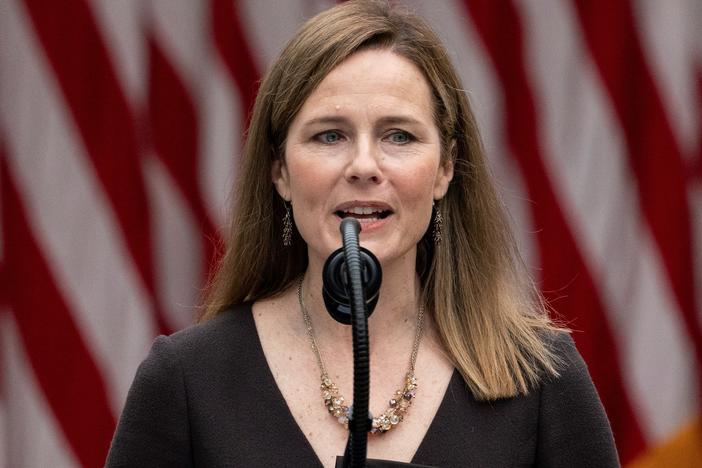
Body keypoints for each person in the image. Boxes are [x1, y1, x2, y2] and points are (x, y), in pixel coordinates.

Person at [106, 1, 619, 466]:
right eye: (330, 135)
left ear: (445, 170)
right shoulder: (186, 380)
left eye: (399, 136)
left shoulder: (541, 380)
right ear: (279, 171)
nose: (364, 166)